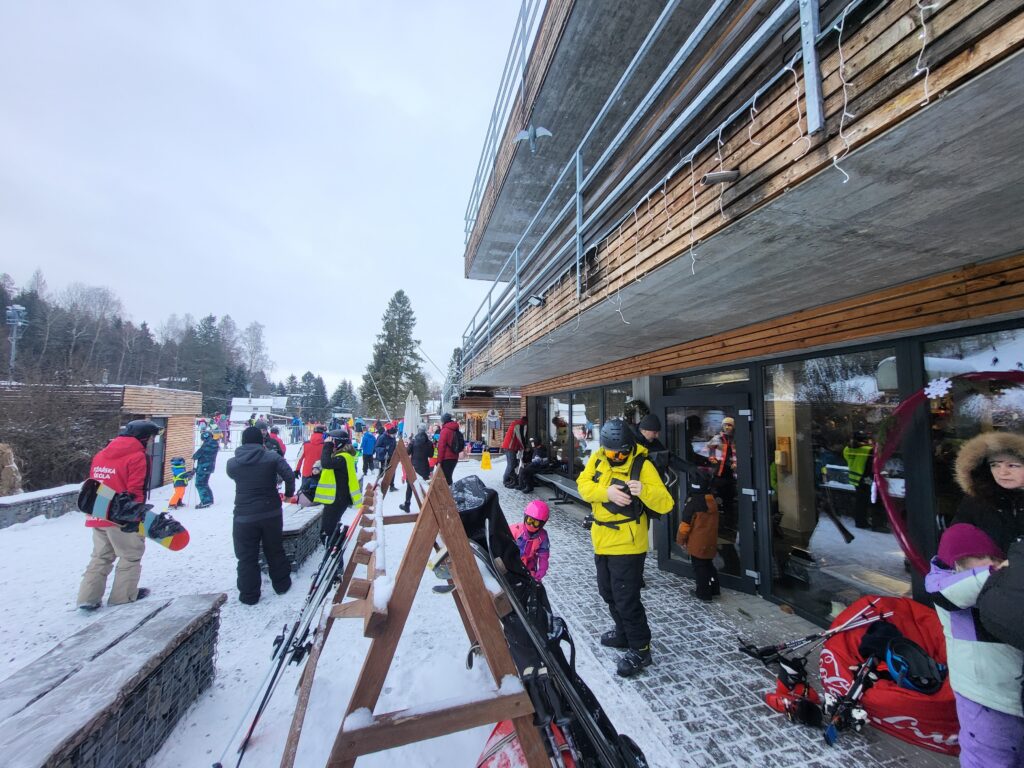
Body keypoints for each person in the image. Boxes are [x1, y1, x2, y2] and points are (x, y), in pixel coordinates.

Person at [576, 418, 673, 677]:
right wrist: (605, 493)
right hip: (602, 540)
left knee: (626, 599)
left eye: (620, 452)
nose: (615, 457)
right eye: (610, 451)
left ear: (630, 447)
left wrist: (644, 491)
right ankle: (622, 633)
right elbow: (583, 485)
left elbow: (665, 504)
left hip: (629, 545)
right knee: (607, 592)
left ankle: (641, 649)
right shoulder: (598, 458)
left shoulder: (643, 466)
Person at [925, 523, 1023, 766]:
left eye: (991, 557)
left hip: (1010, 693)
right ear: (955, 564)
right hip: (982, 698)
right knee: (986, 758)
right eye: (976, 558)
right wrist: (1000, 572)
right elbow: (960, 590)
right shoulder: (945, 585)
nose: (987, 562)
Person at [76, 419, 161, 610]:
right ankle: (123, 597)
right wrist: (136, 516)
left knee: (100, 556)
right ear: (144, 438)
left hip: (98, 510)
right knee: (130, 555)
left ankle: (87, 598)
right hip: (122, 515)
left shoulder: (102, 453)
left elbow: (94, 482)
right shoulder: (138, 456)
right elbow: (136, 489)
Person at [226, 426, 295, 605]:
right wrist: (288, 494)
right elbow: (289, 475)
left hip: (244, 514)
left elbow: (232, 475)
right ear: (261, 441)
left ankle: (249, 595)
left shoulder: (233, 463)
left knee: (246, 556)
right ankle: (282, 584)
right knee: (274, 549)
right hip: (270, 511)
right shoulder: (272, 458)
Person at [952, 432, 1024, 553]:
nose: (1002, 473)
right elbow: (956, 542)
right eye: (994, 465)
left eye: (1012, 465)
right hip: (991, 571)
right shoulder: (977, 500)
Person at [314, 429, 362, 543]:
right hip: (337, 498)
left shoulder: (343, 457)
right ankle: (334, 545)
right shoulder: (343, 456)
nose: (332, 445)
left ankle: (334, 549)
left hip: (337, 499)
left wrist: (327, 446)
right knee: (331, 529)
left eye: (333, 442)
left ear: (338, 443)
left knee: (327, 531)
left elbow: (327, 463)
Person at [843, 430, 887, 531]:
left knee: (860, 502)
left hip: (854, 478)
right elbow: (874, 463)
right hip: (865, 479)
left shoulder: (847, 449)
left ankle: (860, 522)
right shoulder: (868, 450)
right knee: (874, 500)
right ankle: (877, 524)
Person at [509, 499, 550, 581]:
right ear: (525, 517)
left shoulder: (542, 536)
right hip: (513, 561)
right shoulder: (515, 530)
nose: (531, 525)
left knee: (531, 582)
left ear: (542, 524)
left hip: (529, 563)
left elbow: (543, 555)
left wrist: (542, 569)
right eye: (529, 520)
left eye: (536, 523)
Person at [399, 426, 433, 512]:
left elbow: (407, 452)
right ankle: (427, 506)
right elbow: (431, 455)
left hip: (414, 468)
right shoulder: (429, 443)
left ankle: (407, 504)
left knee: (410, 487)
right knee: (424, 487)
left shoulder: (414, 441)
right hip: (425, 468)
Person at [192, 428, 219, 509]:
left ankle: (205, 501)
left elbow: (197, 455)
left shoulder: (206, 445)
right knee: (205, 483)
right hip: (210, 467)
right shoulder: (215, 444)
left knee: (200, 484)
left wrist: (194, 457)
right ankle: (209, 499)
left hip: (203, 467)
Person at [501, 415, 528, 489]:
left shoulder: (517, 423)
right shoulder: (518, 425)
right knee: (511, 464)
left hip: (510, 447)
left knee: (513, 464)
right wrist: (524, 447)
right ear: (525, 422)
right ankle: (506, 480)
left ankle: (511, 480)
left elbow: (517, 438)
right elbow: (520, 437)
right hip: (510, 447)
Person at [437, 413, 462, 485]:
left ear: (444, 420)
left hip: (446, 458)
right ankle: (450, 493)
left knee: (446, 478)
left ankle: (449, 494)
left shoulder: (445, 430)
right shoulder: (455, 429)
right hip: (454, 457)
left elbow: (441, 447)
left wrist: (439, 461)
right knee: (448, 476)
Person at [375, 426, 398, 491]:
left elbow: (394, 446)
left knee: (392, 471)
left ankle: (392, 486)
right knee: (382, 472)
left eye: (395, 434)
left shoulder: (393, 438)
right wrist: (384, 449)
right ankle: (378, 486)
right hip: (383, 458)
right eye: (393, 434)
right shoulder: (382, 437)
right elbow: (376, 447)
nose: (394, 436)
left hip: (390, 457)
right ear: (389, 433)